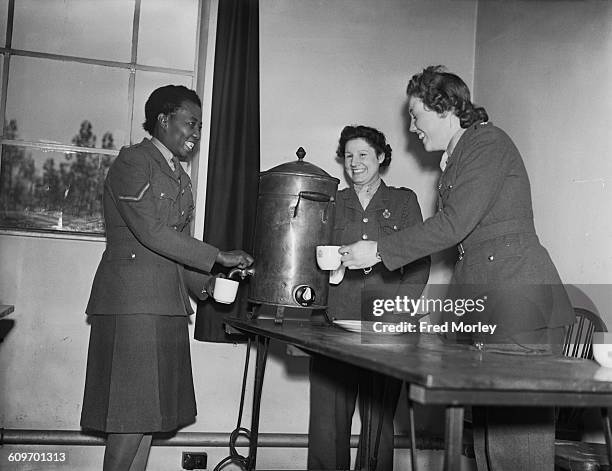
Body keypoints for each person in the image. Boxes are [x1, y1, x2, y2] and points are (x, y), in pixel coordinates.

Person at [339, 67, 575, 470]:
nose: (412, 128)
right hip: (493, 304)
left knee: (513, 450)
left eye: (416, 115)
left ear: (443, 106)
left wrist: (378, 250)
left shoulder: (488, 142)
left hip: (519, 305)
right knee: (487, 446)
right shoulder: (461, 155)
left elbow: (454, 225)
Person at [80, 85, 254, 471]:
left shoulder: (181, 177)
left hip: (165, 304)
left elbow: (177, 247)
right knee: (130, 418)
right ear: (163, 119)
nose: (196, 132)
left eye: (200, 125)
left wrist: (210, 283)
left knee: (148, 421)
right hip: (133, 305)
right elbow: (152, 232)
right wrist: (217, 255)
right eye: (190, 122)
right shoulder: (133, 163)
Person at [308, 125, 430, 470]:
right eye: (348, 156)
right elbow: (314, 259)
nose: (354, 162)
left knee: (379, 426)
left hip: (386, 327)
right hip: (334, 323)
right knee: (326, 424)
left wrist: (400, 310)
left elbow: (419, 263)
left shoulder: (403, 201)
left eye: (363, 154)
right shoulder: (334, 201)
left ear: (380, 157)